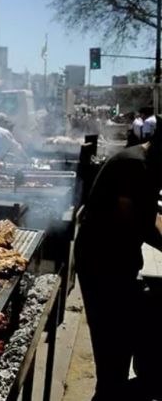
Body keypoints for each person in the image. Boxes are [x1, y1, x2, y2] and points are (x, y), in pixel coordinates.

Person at [74, 129, 162, 401]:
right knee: (113, 352)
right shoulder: (134, 166)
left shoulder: (147, 163)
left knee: (123, 345)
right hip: (102, 266)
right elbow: (135, 222)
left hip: (117, 263)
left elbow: (149, 215)